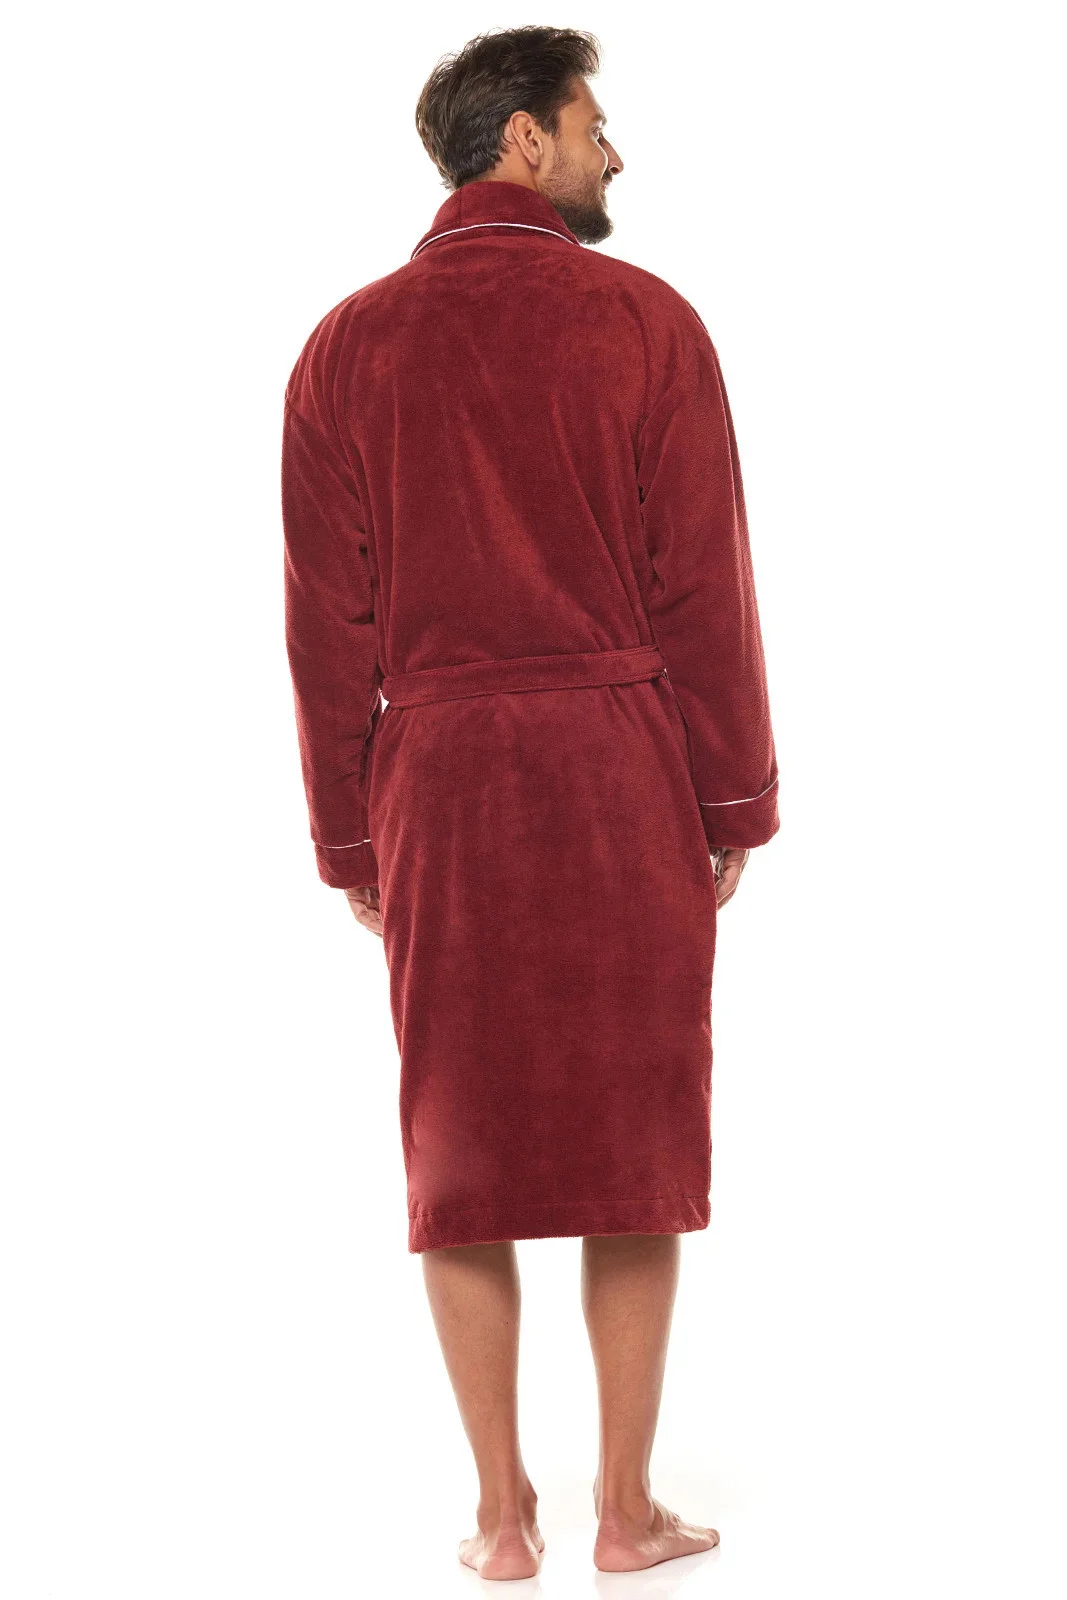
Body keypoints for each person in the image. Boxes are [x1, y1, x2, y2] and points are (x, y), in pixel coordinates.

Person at [280, 24, 779, 1581]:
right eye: (591, 124)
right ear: (522, 140)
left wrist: (350, 833)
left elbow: (326, 627)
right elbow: (703, 589)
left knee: (459, 1155)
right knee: (638, 1137)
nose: (612, 151)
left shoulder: (346, 347)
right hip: (616, 770)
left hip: (436, 783)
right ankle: (624, 1513)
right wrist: (732, 798)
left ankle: (503, 1520)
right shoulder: (645, 324)